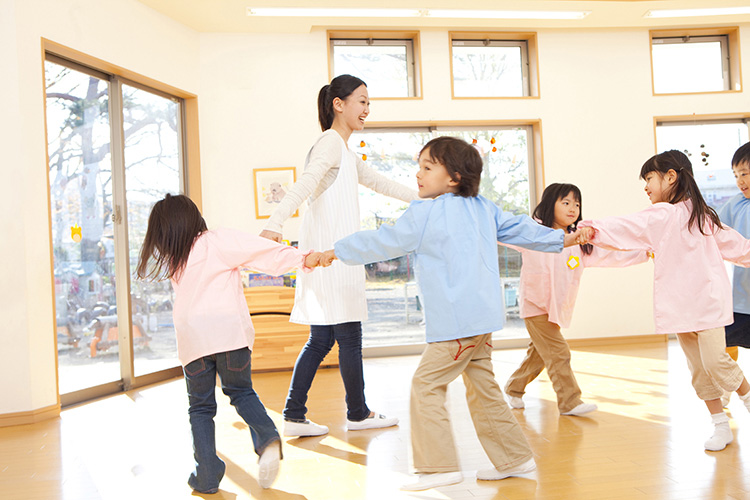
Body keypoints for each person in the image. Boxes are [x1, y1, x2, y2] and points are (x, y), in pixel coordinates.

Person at [323, 136, 585, 491]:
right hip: (481, 320)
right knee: (483, 387)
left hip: (457, 324)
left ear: (454, 177)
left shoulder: (425, 212)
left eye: (427, 167)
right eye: (419, 166)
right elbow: (522, 228)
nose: (418, 174)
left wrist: (335, 251)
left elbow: (383, 240)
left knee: (426, 384)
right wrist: (561, 239)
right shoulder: (483, 207)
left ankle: (438, 467)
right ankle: (515, 459)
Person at [136, 194, 327, 494]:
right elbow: (261, 252)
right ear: (194, 219)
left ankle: (207, 476)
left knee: (199, 409)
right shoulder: (215, 240)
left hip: (193, 341)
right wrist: (303, 257)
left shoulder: (176, 259)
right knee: (240, 392)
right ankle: (266, 437)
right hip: (228, 335)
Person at [260, 74, 417, 437]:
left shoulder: (345, 152)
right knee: (347, 336)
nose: (366, 109)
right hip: (331, 260)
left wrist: (427, 199)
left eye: (368, 103)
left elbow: (382, 183)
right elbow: (304, 184)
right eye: (361, 101)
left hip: (333, 259)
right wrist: (275, 222)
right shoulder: (330, 143)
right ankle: (357, 413)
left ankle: (294, 415)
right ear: (339, 104)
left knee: (322, 340)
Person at [579, 150, 750, 452]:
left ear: (670, 177)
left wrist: (594, 228)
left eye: (649, 179)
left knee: (716, 362)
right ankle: (720, 425)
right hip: (681, 308)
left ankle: (747, 401)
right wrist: (594, 233)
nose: (645, 187)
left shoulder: (701, 216)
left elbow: (736, 246)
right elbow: (630, 229)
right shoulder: (663, 216)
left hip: (708, 304)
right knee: (699, 370)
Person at [503, 183, 649, 416]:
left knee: (540, 353)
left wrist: (643, 253)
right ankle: (569, 401)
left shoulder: (580, 242)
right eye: (566, 202)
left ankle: (513, 387)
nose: (573, 208)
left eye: (577, 204)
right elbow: (506, 235)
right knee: (558, 352)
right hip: (535, 305)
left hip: (557, 308)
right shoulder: (535, 233)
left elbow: (611, 256)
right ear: (550, 204)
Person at [718, 142, 750, 406]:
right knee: (725, 343)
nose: (740, 181)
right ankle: (729, 384)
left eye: (745, 173)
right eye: (736, 175)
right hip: (740, 297)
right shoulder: (734, 205)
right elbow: (712, 229)